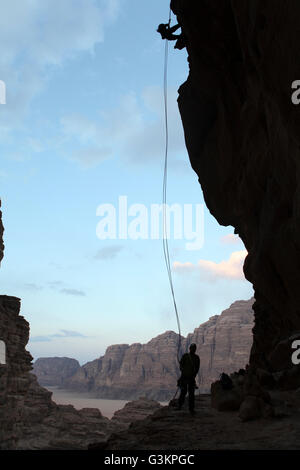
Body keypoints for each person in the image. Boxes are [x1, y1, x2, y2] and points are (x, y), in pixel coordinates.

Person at [177, 343, 200, 414]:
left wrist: (193, 375)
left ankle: (191, 409)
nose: (193, 349)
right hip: (185, 377)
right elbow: (181, 366)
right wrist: (182, 369)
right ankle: (180, 406)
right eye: (192, 348)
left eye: (194, 348)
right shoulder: (185, 356)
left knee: (191, 394)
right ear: (190, 348)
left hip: (190, 378)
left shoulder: (196, 358)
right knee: (184, 392)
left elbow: (197, 368)